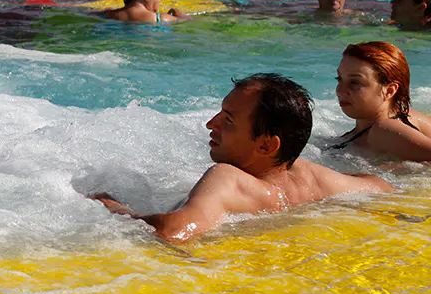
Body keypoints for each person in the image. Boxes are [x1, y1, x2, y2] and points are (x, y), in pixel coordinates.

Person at [90, 74, 393, 242]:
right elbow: (379, 186)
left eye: (228, 120)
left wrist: (115, 207)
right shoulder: (307, 175)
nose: (211, 124)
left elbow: (171, 231)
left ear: (266, 146)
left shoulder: (227, 178)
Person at [330, 42, 431, 162]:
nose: (339, 91)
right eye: (339, 79)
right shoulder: (409, 116)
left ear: (389, 90)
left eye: (355, 82)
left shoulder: (384, 130)